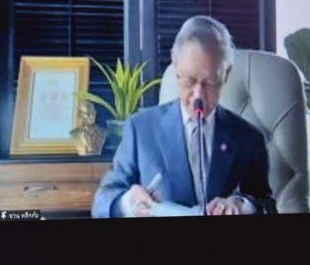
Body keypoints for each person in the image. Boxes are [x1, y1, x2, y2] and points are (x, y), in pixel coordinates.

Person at [91, 16, 275, 218]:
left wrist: (242, 205)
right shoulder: (140, 129)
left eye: (210, 83)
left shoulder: (249, 138)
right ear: (176, 66)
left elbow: (267, 204)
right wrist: (128, 202)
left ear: (226, 74)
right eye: (189, 81)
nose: (198, 96)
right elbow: (102, 202)